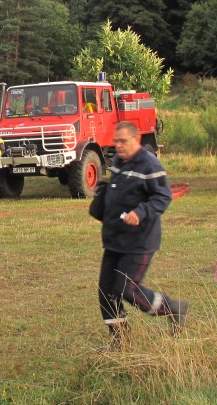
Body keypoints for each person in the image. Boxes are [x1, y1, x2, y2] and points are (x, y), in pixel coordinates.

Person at [90, 121, 188, 350]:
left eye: (123, 141)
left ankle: (173, 308)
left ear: (136, 140)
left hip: (139, 241)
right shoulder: (118, 163)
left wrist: (140, 212)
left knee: (127, 290)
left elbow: (163, 197)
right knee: (107, 293)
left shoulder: (150, 164)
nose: (118, 145)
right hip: (115, 241)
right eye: (116, 141)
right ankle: (120, 343)